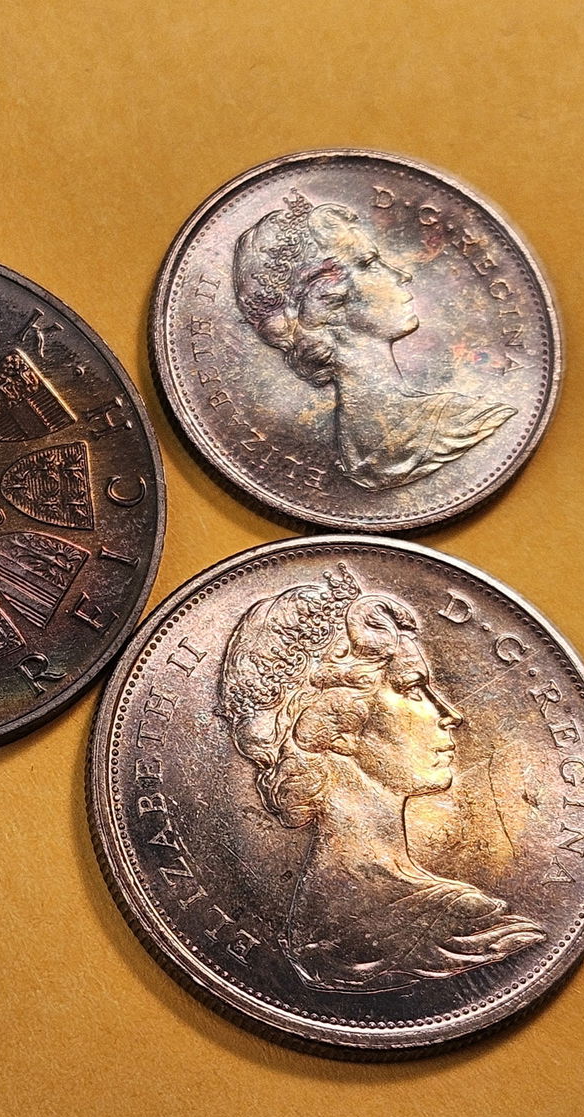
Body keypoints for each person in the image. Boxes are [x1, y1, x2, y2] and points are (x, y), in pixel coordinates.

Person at [219, 562, 545, 992]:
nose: (450, 714)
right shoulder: (459, 922)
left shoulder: (318, 921)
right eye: (411, 689)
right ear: (337, 726)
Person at [232, 192, 516, 490]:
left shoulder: (465, 420)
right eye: (369, 263)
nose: (401, 275)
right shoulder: (462, 422)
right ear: (326, 299)